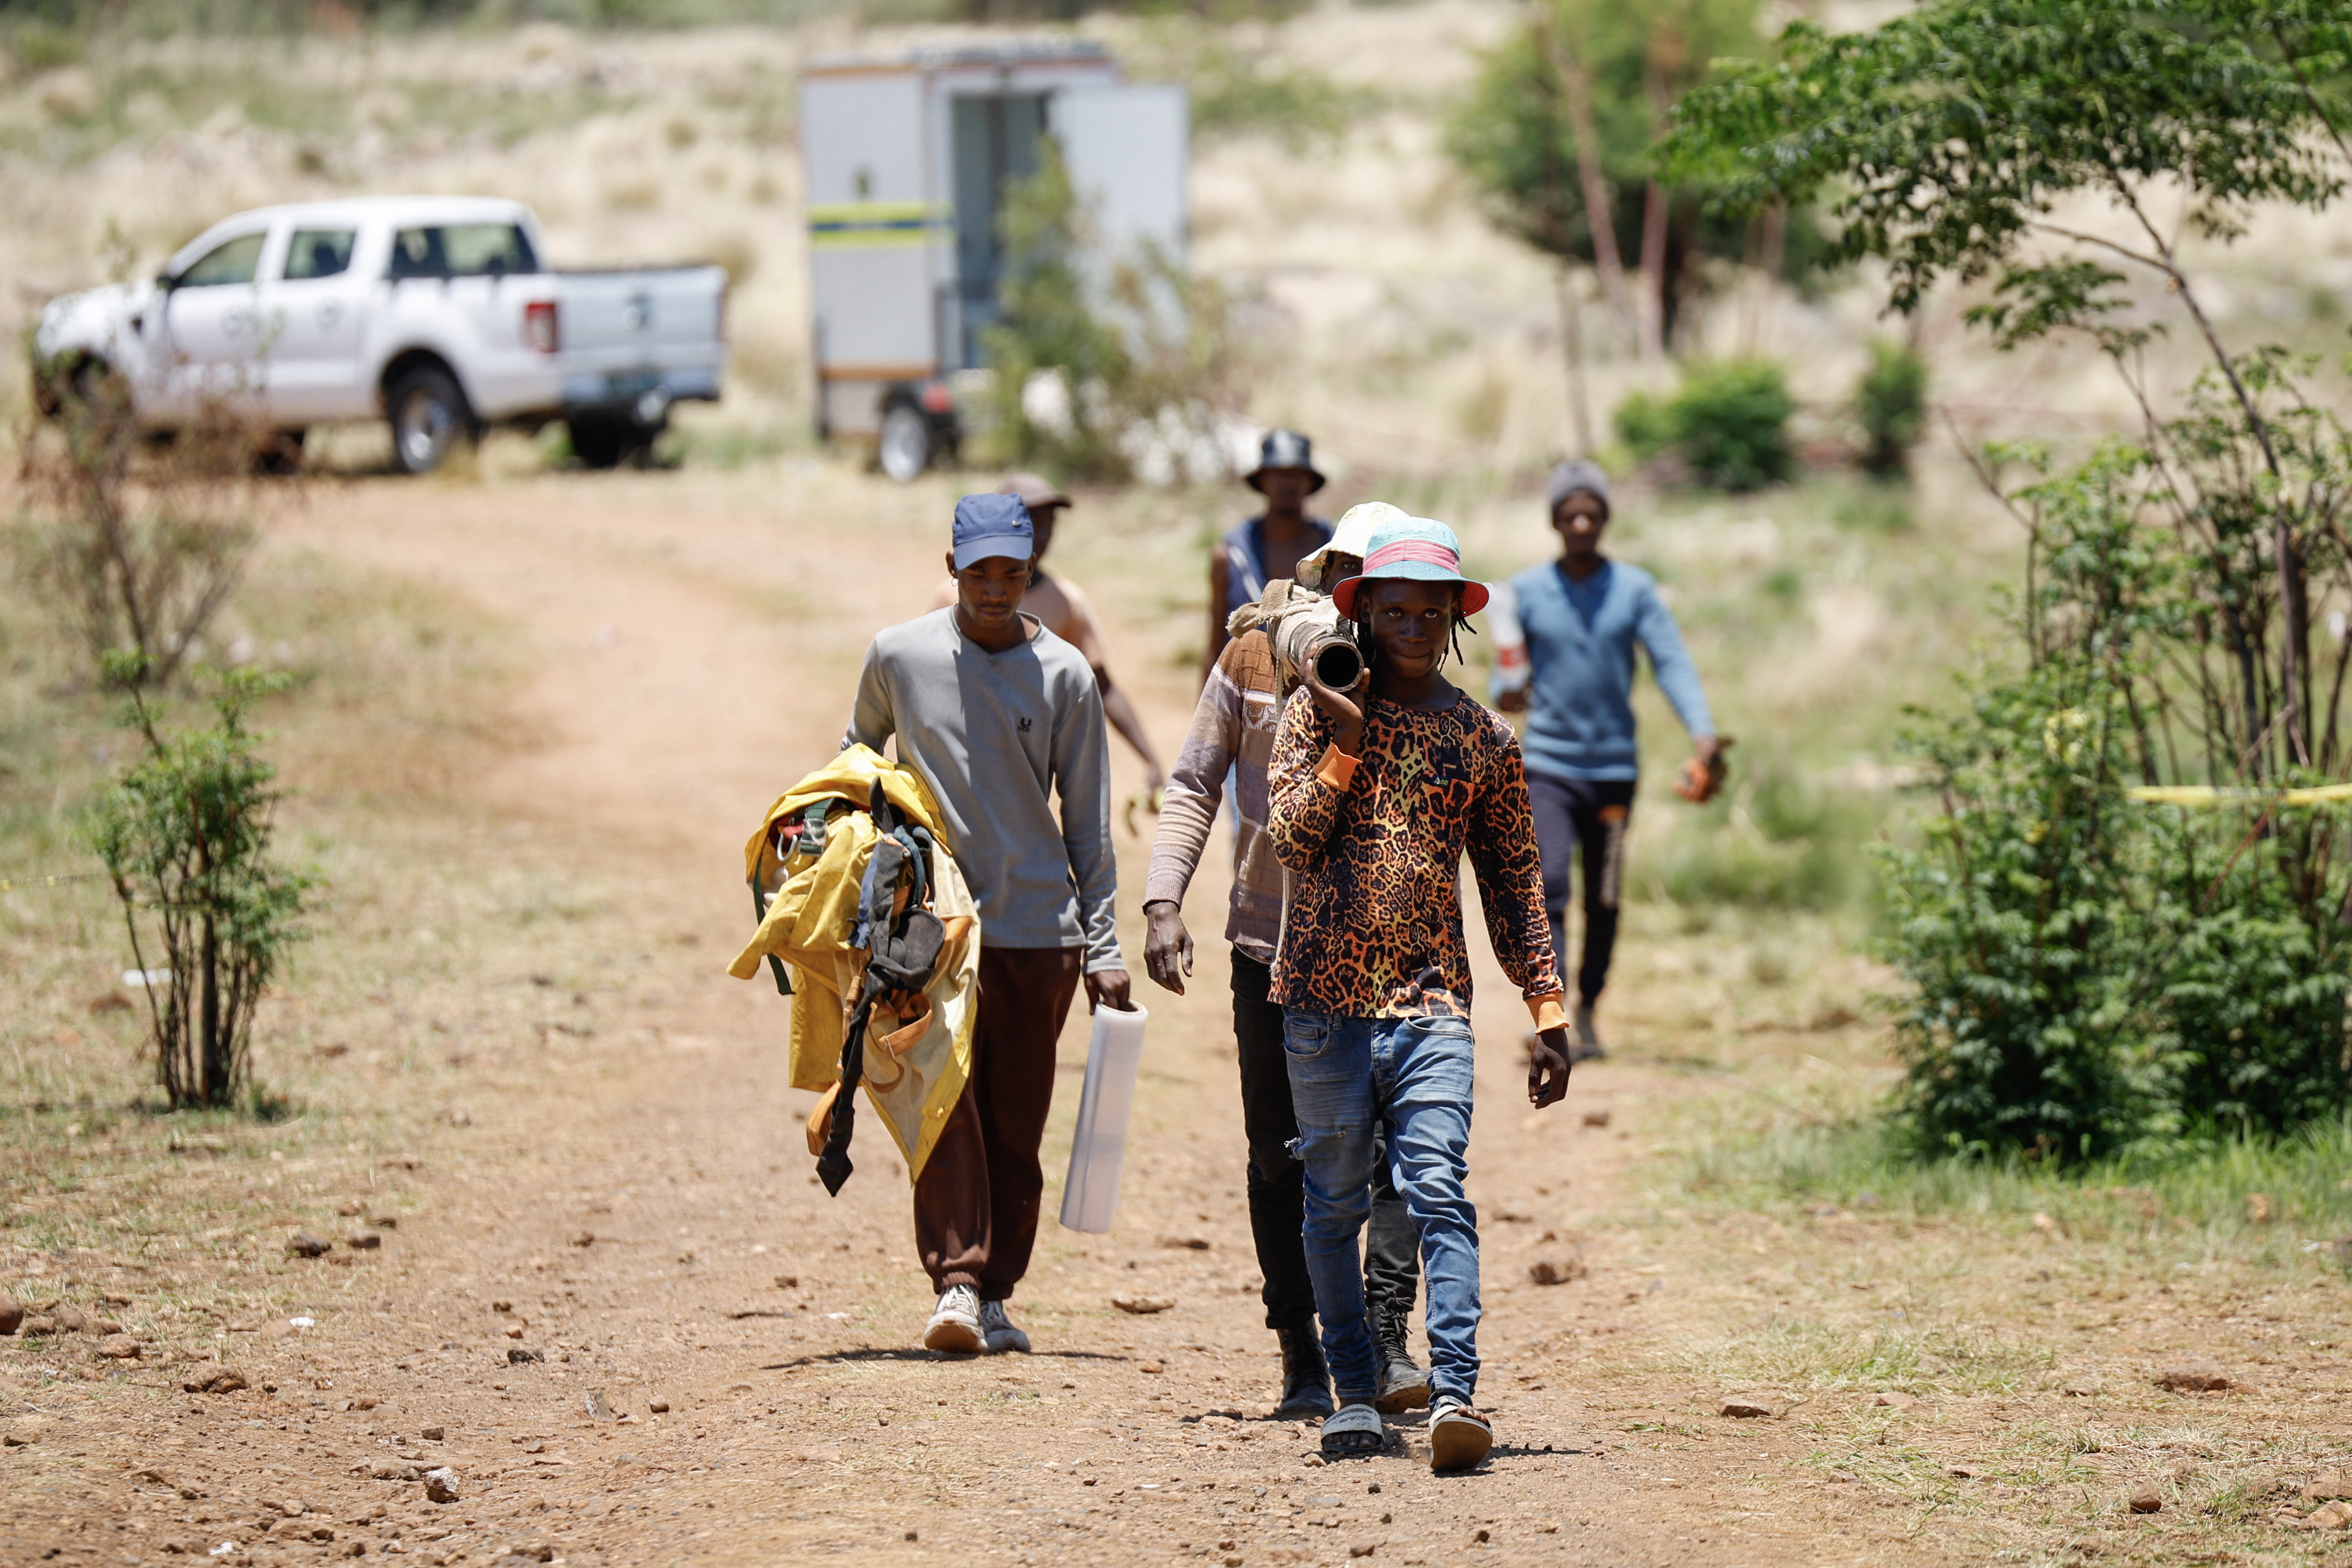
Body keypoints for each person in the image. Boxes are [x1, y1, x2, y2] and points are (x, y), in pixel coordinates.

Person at [1268, 515, 1573, 1472]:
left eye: (1429, 614)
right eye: (1393, 612)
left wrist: (1548, 1009)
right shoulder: (1313, 712)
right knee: (1332, 1208)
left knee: (1438, 1190)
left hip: (1433, 1008)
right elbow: (1291, 839)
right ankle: (1355, 1393)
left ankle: (1454, 1394)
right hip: (1322, 1008)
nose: (1411, 628)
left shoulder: (1482, 739)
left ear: (1455, 620)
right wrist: (1349, 739)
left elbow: (1515, 885)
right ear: (1363, 611)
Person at [1143, 502, 1433, 1421]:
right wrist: (1162, 900)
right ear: (1327, 575)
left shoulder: (1414, 672)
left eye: (1378, 581)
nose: (1358, 595)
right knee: (1280, 1156)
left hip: (1383, 956)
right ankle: (1299, 1349)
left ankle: (1384, 1336)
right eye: (1346, 573)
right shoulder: (1254, 655)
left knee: (1391, 1154)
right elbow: (1195, 779)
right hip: (1269, 947)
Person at [846, 492, 1133, 1357]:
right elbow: (857, 763)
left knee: (1015, 1120)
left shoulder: (1065, 675)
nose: (997, 589)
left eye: (1013, 573)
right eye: (981, 573)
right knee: (943, 1107)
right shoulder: (899, 655)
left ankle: (998, 1292)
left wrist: (1104, 945)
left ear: (1030, 571)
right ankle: (958, 1283)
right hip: (929, 930)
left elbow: (1088, 822)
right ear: (953, 569)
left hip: (1040, 932)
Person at [1491, 460, 1722, 1061]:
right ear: (1555, 521)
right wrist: (1508, 695)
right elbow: (1506, 676)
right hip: (1549, 766)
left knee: (1607, 896)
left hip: (1615, 772)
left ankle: (1591, 1005)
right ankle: (1555, 1014)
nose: (1582, 524)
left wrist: (1701, 732)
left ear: (1605, 518)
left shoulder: (1634, 590)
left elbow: (1671, 661)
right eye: (1570, 514)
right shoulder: (1526, 591)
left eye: (1591, 513)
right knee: (1551, 884)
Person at [929, 473, 1167, 800]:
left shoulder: (1066, 602)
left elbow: (1102, 684)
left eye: (1048, 524)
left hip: (1024, 769)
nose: (1040, 535)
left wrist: (1150, 759)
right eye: (1030, 522)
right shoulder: (954, 597)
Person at [1203, 430, 1334, 683]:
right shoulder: (1232, 555)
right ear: (1262, 481)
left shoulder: (1336, 548)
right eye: (1278, 473)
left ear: (1309, 481)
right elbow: (1217, 641)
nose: (1287, 482)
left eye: (1296, 473)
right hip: (1249, 689)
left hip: (1324, 689)